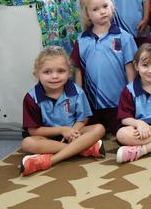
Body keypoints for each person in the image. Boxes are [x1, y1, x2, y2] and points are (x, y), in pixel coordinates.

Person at [20, 46, 106, 176]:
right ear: (37, 74)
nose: (54, 76)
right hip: (47, 138)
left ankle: (51, 160)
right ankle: (82, 149)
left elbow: (83, 119)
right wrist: (62, 130)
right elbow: (33, 130)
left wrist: (73, 132)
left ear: (68, 73)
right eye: (47, 72)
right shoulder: (31, 98)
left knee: (99, 128)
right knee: (27, 143)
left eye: (61, 71)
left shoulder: (77, 92)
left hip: (74, 134)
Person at [72, 0, 137, 134]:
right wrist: (79, 97)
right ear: (87, 15)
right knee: (93, 132)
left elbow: (130, 69)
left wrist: (132, 96)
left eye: (105, 6)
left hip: (118, 101)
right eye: (95, 9)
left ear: (111, 7)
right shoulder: (82, 40)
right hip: (92, 102)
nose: (102, 11)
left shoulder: (124, 37)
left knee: (120, 133)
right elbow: (78, 71)